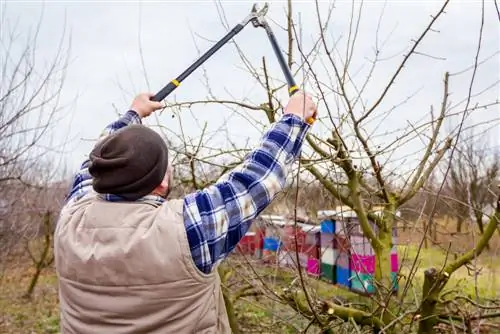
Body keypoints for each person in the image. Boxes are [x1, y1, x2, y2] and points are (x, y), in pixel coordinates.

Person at [54, 91, 318, 333]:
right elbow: (256, 179)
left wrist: (133, 113)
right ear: (162, 182)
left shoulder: (71, 217)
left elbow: (96, 159)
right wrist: (293, 118)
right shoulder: (189, 229)